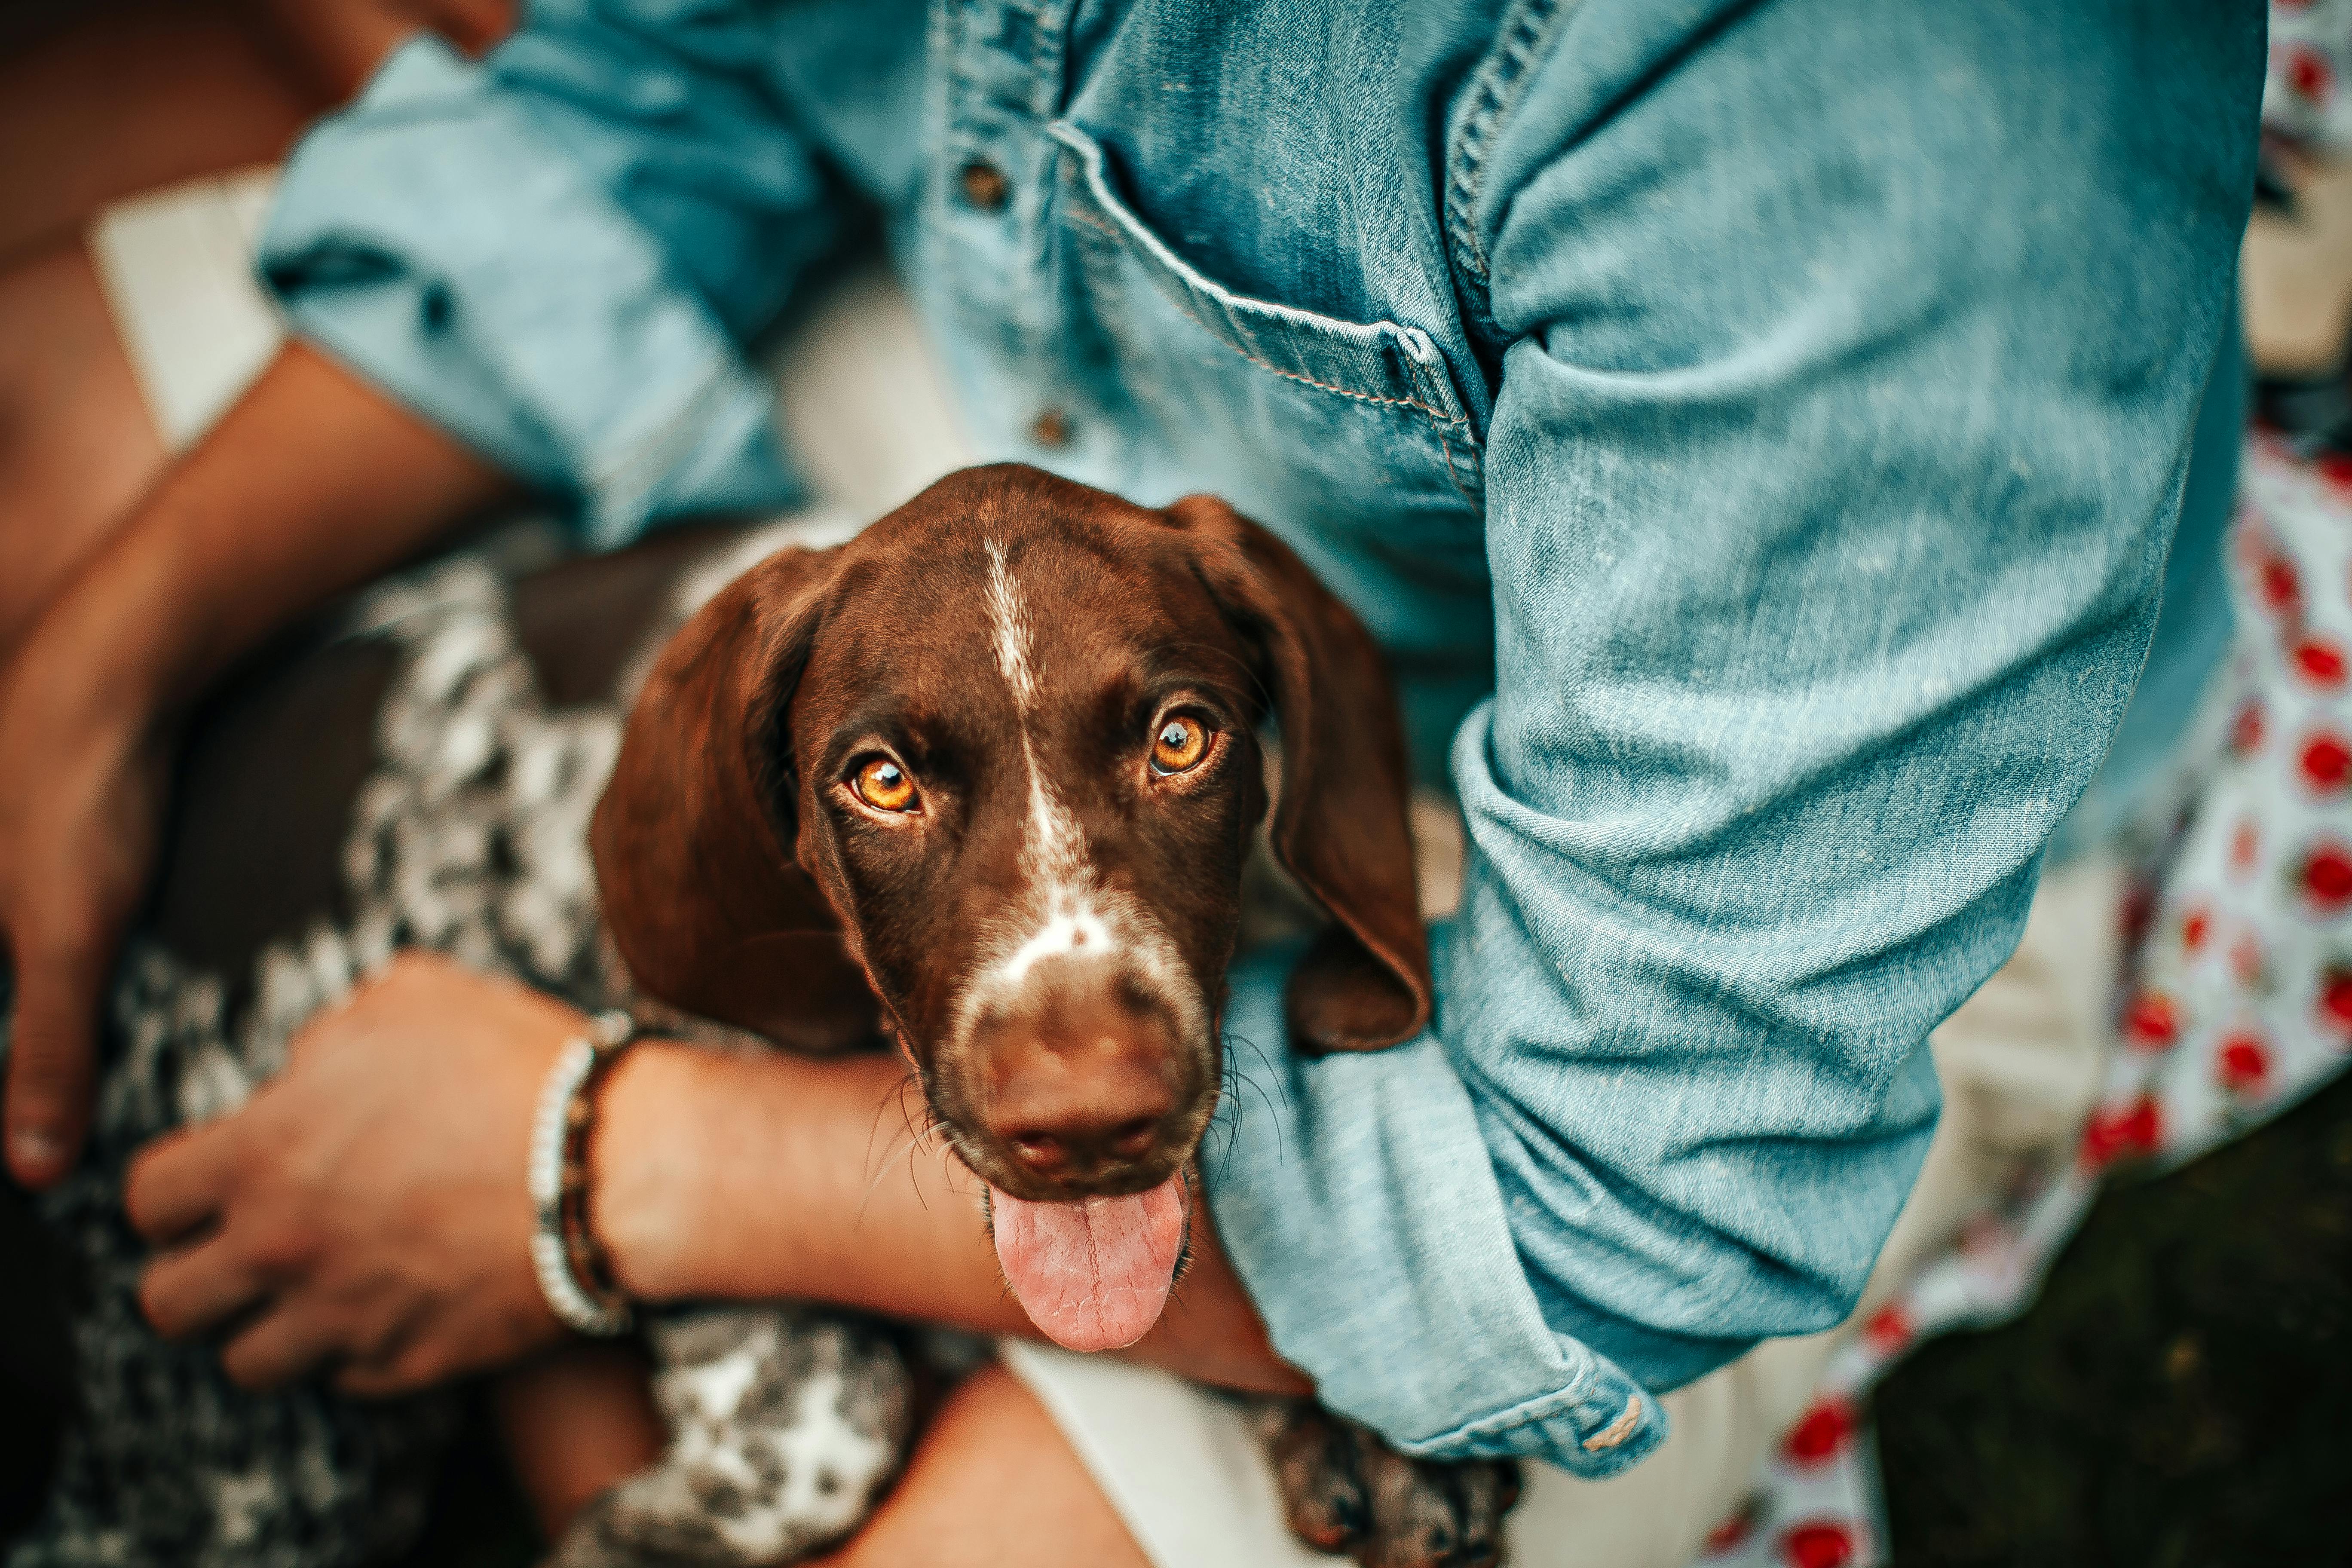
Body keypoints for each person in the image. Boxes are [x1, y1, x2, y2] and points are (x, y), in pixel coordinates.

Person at [0, 0, 2261, 1563]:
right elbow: (668, 98)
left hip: (1707, 860)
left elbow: (1613, 1215)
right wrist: (89, 680)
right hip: (986, 357)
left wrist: (587, 1166)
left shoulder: (1888, 110)